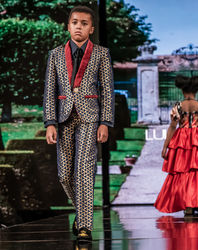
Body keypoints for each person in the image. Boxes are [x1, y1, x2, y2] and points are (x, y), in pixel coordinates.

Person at [43, 5, 114, 242]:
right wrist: (50, 122)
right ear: (68, 26)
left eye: (84, 23)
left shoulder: (101, 54)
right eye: (75, 22)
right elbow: (49, 91)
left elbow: (107, 90)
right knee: (64, 175)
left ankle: (84, 227)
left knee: (83, 169)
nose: (79, 27)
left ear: (91, 29)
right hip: (63, 118)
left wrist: (105, 122)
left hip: (90, 117)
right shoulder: (55, 54)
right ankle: (81, 212)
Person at [154, 75, 198, 216]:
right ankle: (195, 201)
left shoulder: (178, 106)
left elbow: (172, 127)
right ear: (196, 91)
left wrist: (165, 146)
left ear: (182, 90)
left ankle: (187, 205)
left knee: (182, 172)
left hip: (182, 140)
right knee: (196, 172)